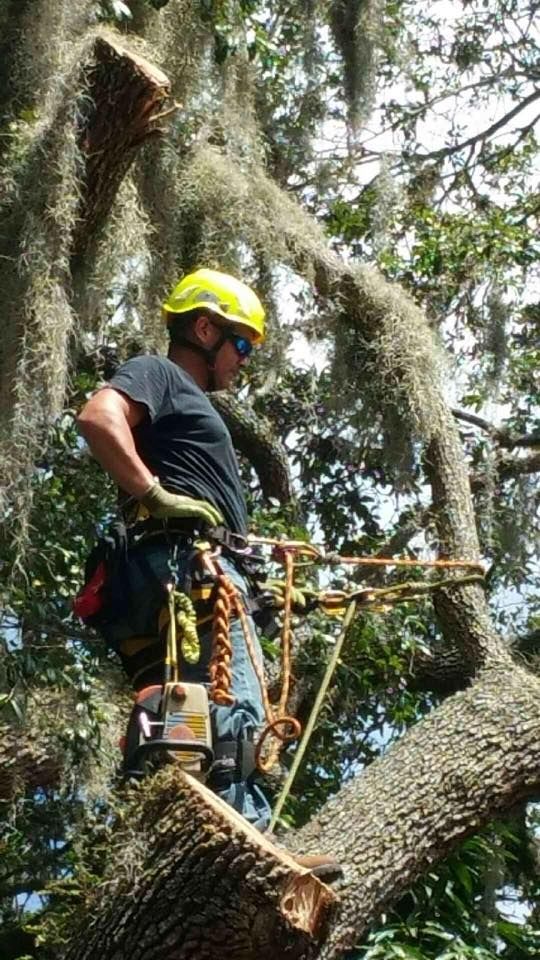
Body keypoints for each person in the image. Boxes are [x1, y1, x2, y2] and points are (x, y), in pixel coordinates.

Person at [77, 268, 340, 877]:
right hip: (186, 564)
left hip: (178, 569)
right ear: (204, 328)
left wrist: (259, 581)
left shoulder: (185, 403)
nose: (244, 361)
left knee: (178, 717)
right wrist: (153, 493)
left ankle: (158, 851)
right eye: (241, 344)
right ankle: (250, 849)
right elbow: (98, 417)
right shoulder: (162, 373)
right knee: (235, 706)